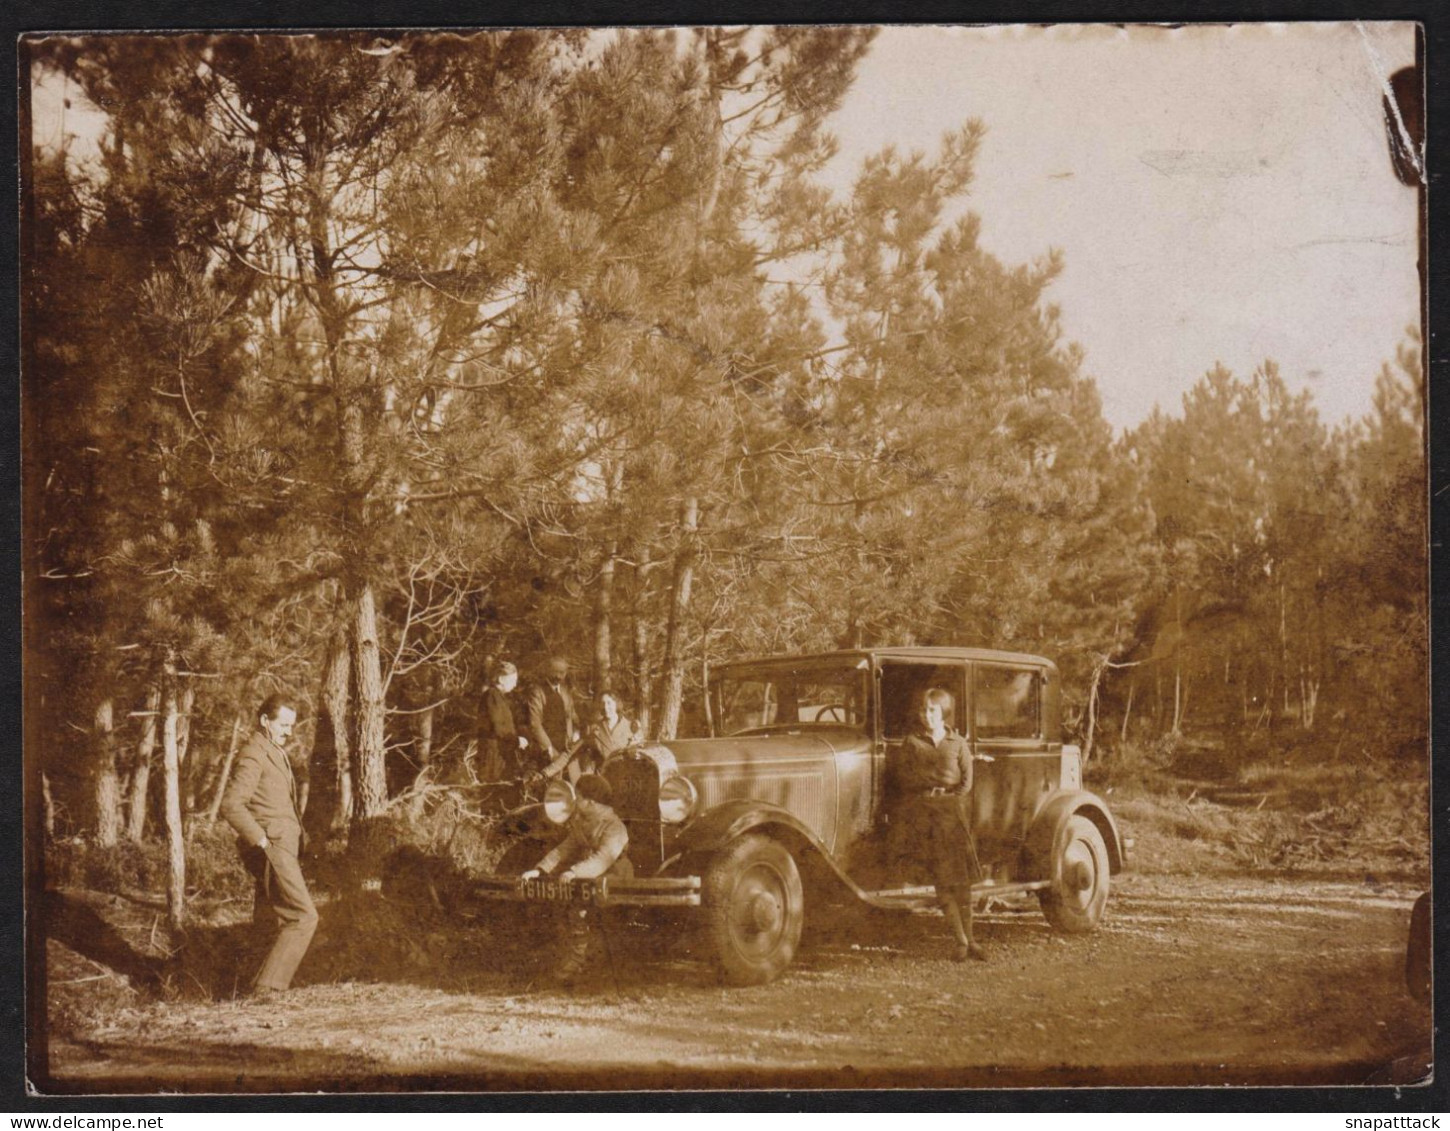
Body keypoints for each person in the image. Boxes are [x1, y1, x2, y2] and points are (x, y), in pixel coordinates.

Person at [220, 693, 319, 996]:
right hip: (271, 845)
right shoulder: (254, 754)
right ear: (265, 721)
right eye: (284, 724)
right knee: (304, 916)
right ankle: (269, 987)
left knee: (268, 919)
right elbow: (231, 804)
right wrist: (261, 840)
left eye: (292, 725)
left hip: (281, 844)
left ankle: (251, 985)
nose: (289, 731)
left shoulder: (271, 750)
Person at [898, 687, 987, 963]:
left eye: (933, 710)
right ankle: (960, 942)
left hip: (952, 817)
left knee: (963, 884)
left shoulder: (957, 743)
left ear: (943, 712)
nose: (927, 716)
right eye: (923, 710)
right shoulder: (912, 743)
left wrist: (949, 801)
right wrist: (927, 797)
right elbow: (904, 778)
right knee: (943, 883)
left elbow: (966, 783)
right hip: (926, 817)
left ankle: (971, 940)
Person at [520, 773, 633, 984]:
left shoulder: (614, 826)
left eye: (579, 797)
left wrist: (575, 872)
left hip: (614, 875)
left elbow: (603, 859)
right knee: (570, 909)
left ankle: (583, 960)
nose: (575, 801)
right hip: (587, 874)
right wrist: (540, 870)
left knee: (583, 911)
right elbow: (564, 849)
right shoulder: (583, 823)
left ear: (590, 801)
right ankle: (577, 958)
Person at [525, 656, 580, 782]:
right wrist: (548, 747)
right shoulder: (537, 692)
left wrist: (576, 732)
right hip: (547, 749)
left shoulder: (565, 691)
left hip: (567, 748)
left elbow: (572, 716)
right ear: (548, 671)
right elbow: (535, 723)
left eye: (563, 673)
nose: (559, 677)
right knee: (547, 785)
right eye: (556, 672)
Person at [477, 660, 528, 784]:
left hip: (498, 753)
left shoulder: (498, 696)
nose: (515, 684)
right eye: (513, 680)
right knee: (495, 790)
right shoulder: (492, 696)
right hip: (493, 756)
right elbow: (499, 727)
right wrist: (516, 740)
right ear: (501, 679)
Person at [579, 691, 639, 775]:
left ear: (616, 704)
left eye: (609, 703)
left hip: (625, 776)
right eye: (603, 703)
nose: (606, 707)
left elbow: (639, 756)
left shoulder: (631, 727)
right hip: (603, 777)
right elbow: (589, 756)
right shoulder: (595, 728)